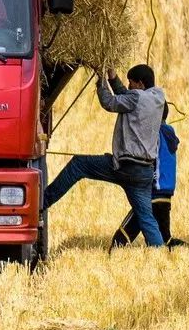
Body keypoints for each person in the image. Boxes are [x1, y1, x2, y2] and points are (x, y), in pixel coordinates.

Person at [44, 63, 166, 247]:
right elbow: (128, 97)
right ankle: (158, 253)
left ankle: (42, 203)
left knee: (79, 164)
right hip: (145, 171)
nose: (129, 86)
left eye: (131, 83)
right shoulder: (157, 98)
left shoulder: (136, 98)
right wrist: (112, 77)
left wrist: (101, 78)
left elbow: (109, 102)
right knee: (146, 218)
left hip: (126, 166)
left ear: (140, 84)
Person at [110, 107, 181, 249]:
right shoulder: (169, 133)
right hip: (165, 197)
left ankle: (114, 254)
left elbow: (146, 158)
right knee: (166, 239)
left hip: (153, 193)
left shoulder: (153, 133)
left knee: (123, 235)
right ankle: (186, 250)